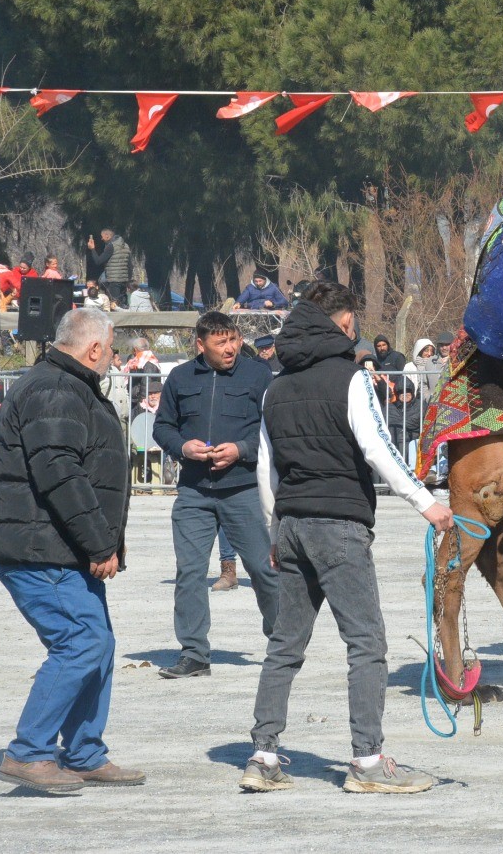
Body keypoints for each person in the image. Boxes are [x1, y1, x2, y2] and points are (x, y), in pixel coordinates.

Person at [242, 281, 452, 795]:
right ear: (340, 323)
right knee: (367, 644)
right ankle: (367, 761)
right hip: (338, 526)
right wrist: (428, 504)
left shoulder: (275, 385)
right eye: (352, 321)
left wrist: (274, 529)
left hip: (289, 525)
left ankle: (263, 755)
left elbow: (266, 467)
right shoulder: (350, 379)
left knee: (284, 645)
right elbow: (379, 450)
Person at [0, 308, 145, 794]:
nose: (112, 358)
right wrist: (98, 541)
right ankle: (28, 752)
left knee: (99, 644)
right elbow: (61, 474)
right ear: (94, 349)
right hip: (40, 548)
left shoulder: (66, 386)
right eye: (111, 349)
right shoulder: (55, 389)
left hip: (61, 546)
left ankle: (85, 753)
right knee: (81, 642)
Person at [151, 311, 277, 680]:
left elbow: (271, 430)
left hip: (244, 490)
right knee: (189, 572)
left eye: (233, 340)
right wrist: (181, 446)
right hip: (193, 492)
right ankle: (194, 654)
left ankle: (283, 641)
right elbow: (162, 427)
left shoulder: (258, 374)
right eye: (221, 342)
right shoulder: (179, 377)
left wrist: (240, 449)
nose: (230, 348)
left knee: (263, 569)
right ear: (200, 344)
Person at [87, 229, 132, 308]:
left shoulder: (111, 246)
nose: (101, 239)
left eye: (102, 237)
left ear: (107, 236)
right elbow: (130, 266)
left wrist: (92, 249)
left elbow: (98, 261)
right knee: (123, 305)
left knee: (114, 305)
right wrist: (128, 279)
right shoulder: (126, 246)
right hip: (124, 280)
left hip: (114, 280)